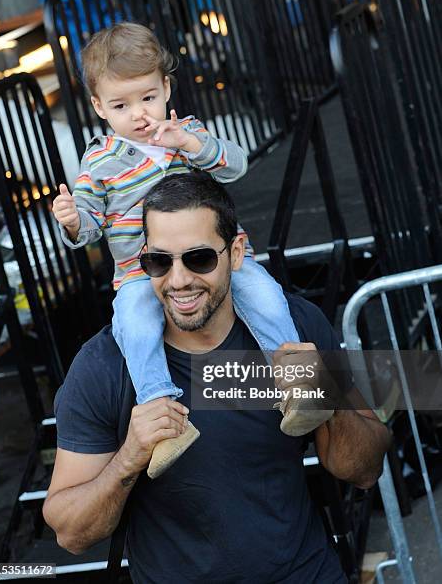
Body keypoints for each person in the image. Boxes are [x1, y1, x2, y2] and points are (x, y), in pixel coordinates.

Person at [44, 172, 391, 583]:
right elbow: (70, 533)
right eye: (159, 261)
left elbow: (365, 469)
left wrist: (327, 399)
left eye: (199, 259)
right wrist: (130, 457)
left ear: (237, 252)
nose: (178, 281)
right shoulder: (105, 366)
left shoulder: (293, 328)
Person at [51, 22, 310, 479]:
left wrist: (190, 143)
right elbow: (90, 224)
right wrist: (74, 220)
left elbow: (236, 165)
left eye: (148, 97)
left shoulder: (185, 134)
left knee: (266, 294)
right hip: (140, 271)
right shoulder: (99, 160)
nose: (139, 113)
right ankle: (164, 415)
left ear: (167, 87)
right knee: (133, 324)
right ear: (98, 107)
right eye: (121, 104)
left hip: (210, 260)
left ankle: (297, 384)